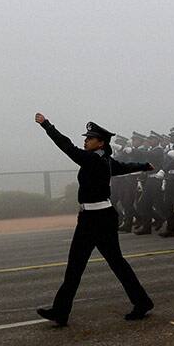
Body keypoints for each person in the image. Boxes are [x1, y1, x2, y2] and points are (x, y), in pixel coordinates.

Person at [34, 113, 155, 324]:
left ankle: (141, 302)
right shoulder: (104, 160)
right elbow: (125, 167)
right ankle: (61, 311)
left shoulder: (93, 159)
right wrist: (144, 165)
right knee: (79, 265)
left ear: (100, 143)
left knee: (107, 263)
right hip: (93, 217)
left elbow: (66, 145)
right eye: (86, 138)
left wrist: (46, 125)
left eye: (90, 138)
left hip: (99, 218)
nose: (85, 140)